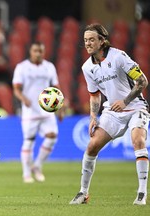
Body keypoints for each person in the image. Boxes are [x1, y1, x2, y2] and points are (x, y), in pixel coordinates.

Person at [69, 23, 149, 205]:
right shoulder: (87, 67)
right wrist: (92, 117)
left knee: (138, 141)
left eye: (91, 40)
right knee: (91, 146)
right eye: (85, 40)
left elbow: (142, 81)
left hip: (135, 107)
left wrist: (125, 101)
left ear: (102, 41)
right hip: (112, 112)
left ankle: (142, 193)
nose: (87, 43)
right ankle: (83, 193)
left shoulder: (119, 56)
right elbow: (94, 95)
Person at [12, 41, 64, 183]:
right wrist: (23, 99)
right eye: (35, 50)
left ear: (44, 52)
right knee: (29, 141)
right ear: (30, 51)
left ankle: (37, 166)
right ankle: (26, 173)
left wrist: (60, 109)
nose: (38, 53)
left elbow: (56, 88)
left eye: (41, 51)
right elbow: (16, 88)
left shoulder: (49, 67)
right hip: (30, 111)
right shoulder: (22, 67)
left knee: (52, 136)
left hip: (46, 110)